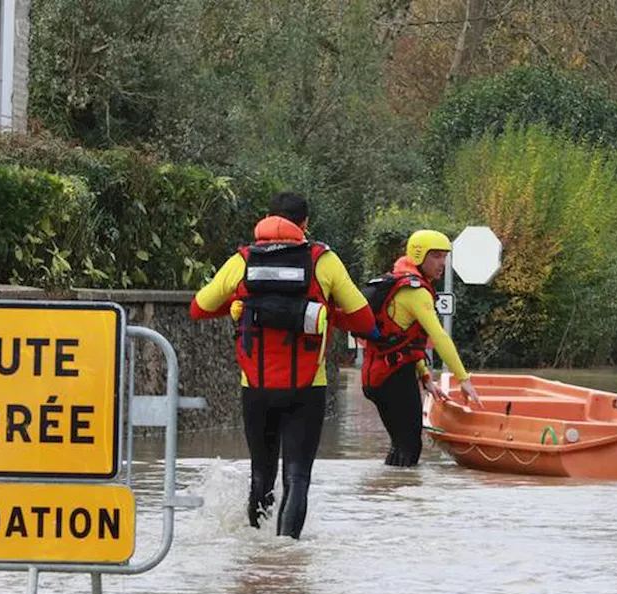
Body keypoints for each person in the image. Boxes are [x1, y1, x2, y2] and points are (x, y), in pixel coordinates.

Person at [189, 192, 376, 538]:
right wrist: (327, 314)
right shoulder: (323, 260)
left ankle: (257, 554)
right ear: (304, 224)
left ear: (266, 219)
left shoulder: (242, 260)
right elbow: (365, 321)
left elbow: (198, 308)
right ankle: (286, 557)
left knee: (261, 474)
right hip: (308, 388)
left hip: (255, 387)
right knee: (297, 477)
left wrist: (240, 302)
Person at [359, 229, 483, 466]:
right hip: (393, 378)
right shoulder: (415, 291)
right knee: (410, 447)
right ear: (418, 256)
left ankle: (385, 493)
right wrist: (463, 379)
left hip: (380, 376)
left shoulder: (402, 284)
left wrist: (425, 377)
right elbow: (439, 337)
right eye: (435, 256)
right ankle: (402, 499)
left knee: (401, 445)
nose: (442, 263)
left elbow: (404, 341)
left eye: (444, 256)